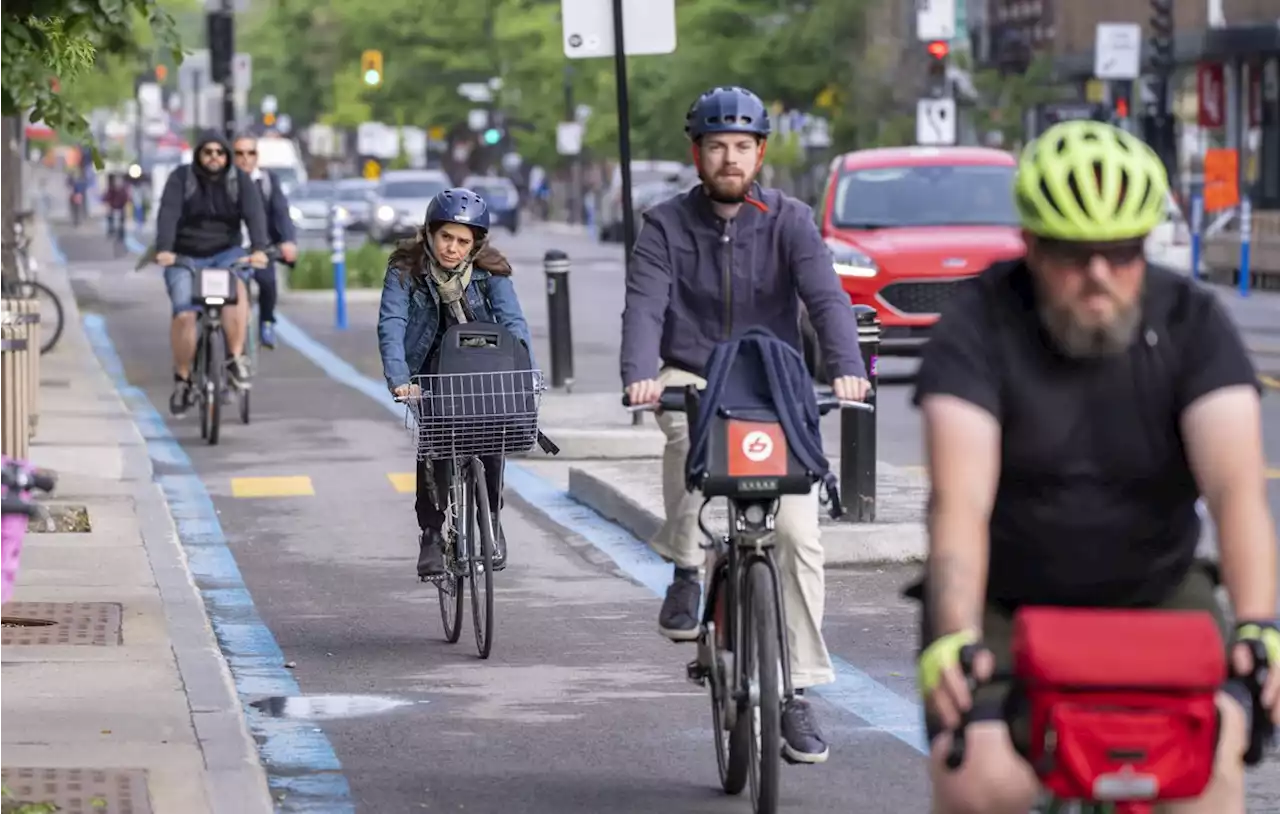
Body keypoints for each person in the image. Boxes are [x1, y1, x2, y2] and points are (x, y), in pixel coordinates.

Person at [912, 119, 1280, 814]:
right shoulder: (978, 324)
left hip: (1156, 590)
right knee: (980, 780)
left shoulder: (1191, 322)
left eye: (1121, 252)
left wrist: (1262, 624)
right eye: (1072, 256)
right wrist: (955, 632)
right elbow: (959, 504)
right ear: (1029, 246)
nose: (1099, 276)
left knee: (1210, 769)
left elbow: (1237, 492)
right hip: (1006, 599)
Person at [620, 85, 871, 764]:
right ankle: (684, 569)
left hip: (771, 383)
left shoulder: (790, 220)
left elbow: (826, 297)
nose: (729, 158)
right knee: (683, 441)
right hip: (694, 375)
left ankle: (794, 693)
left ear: (760, 153)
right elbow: (645, 305)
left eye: (741, 146)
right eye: (716, 146)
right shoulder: (665, 225)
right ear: (696, 154)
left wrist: (849, 368)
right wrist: (639, 373)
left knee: (796, 532)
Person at [377, 188, 533, 579]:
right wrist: (399, 379)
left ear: (475, 244)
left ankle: (490, 518)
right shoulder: (404, 270)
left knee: (494, 433)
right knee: (436, 446)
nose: (453, 248)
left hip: (483, 367)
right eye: (446, 237)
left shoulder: (492, 272)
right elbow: (392, 324)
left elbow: (513, 324)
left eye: (463, 241)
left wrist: (523, 375)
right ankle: (431, 533)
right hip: (429, 371)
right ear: (429, 233)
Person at [154, 130, 270, 416]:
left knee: (237, 294)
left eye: (220, 152)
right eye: (208, 152)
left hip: (225, 255)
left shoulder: (238, 181)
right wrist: (165, 249)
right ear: (198, 155)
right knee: (184, 314)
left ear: (226, 156)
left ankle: (233, 358)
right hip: (185, 257)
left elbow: (255, 215)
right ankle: (183, 379)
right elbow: (167, 214)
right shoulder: (181, 179)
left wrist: (258, 249)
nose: (214, 157)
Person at [232, 133, 298, 349]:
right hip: (231, 248)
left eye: (250, 153)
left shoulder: (268, 181)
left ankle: (267, 322)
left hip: (261, 246)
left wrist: (288, 241)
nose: (245, 158)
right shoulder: (224, 183)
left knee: (268, 283)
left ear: (257, 156)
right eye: (239, 153)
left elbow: (281, 213)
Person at [101, 174, 129, 242]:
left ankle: (121, 234)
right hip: (113, 208)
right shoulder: (111, 190)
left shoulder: (123, 190)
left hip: (120, 208)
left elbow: (126, 198)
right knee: (110, 217)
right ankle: (111, 231)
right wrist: (108, 205)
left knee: (121, 222)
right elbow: (106, 198)